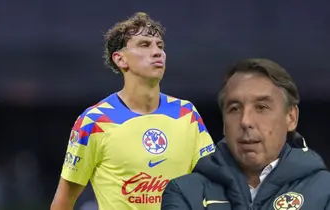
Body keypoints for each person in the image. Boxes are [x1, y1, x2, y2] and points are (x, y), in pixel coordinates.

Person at [50, 12, 215, 210]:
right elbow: (63, 202)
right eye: (144, 45)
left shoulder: (187, 114)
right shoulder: (95, 122)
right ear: (120, 59)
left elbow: (213, 187)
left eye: (160, 46)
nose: (157, 52)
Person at [161, 58, 330, 210]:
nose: (245, 121)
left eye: (262, 107)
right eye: (234, 109)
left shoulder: (324, 191)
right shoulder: (184, 193)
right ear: (224, 122)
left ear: (291, 118)